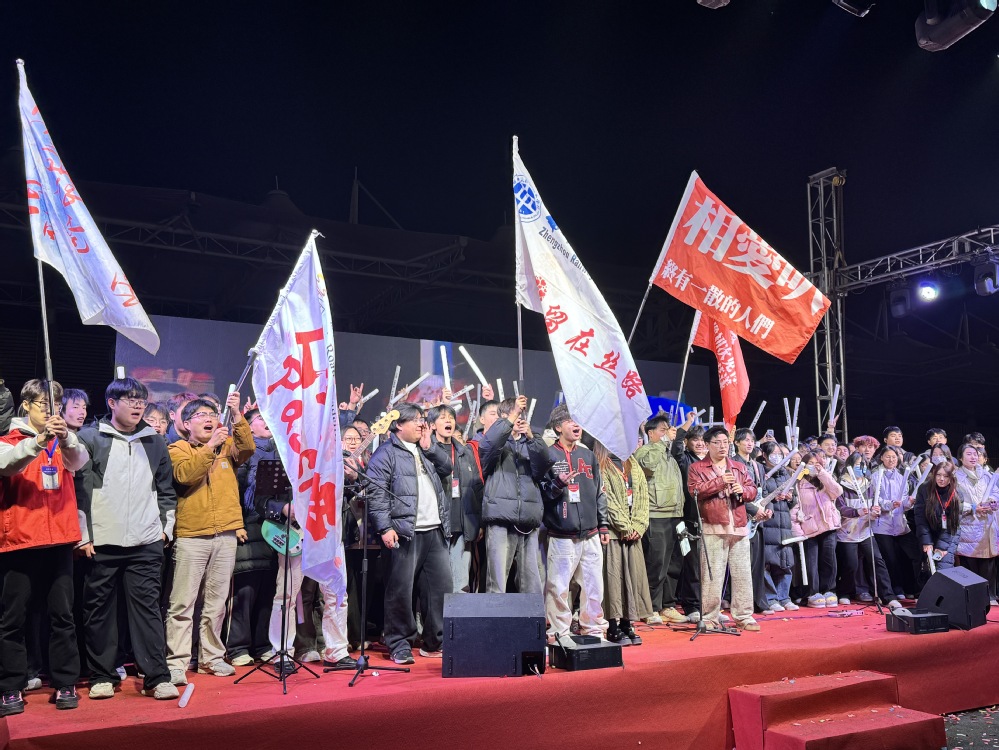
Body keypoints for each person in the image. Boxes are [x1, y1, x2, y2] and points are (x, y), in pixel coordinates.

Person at [74, 377, 178, 700]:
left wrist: (164, 530)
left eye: (141, 400)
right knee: (99, 611)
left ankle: (156, 677)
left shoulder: (155, 441)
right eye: (130, 399)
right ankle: (102, 675)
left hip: (146, 541)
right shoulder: (90, 437)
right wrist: (84, 535)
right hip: (102, 541)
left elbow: (166, 490)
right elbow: (81, 491)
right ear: (112, 403)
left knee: (147, 609)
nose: (137, 405)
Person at [0, 380, 87, 715]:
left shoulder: (64, 441)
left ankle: (65, 682)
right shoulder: (8, 439)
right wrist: (38, 442)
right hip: (20, 540)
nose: (51, 411)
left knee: (63, 616)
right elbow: (8, 465)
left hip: (59, 539)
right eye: (44, 404)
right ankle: (11, 686)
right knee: (13, 618)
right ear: (26, 405)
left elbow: (79, 461)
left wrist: (66, 438)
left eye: (56, 405)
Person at [165, 393, 254, 684]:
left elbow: (248, 448)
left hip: (225, 533)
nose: (208, 419)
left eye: (212, 415)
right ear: (186, 424)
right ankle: (176, 661)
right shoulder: (177, 448)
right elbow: (185, 475)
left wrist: (237, 415)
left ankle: (211, 657)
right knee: (183, 603)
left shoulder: (227, 447)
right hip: (192, 535)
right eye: (201, 416)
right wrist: (209, 448)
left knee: (216, 602)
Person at [366, 403, 453, 665]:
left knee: (440, 588)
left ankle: (435, 641)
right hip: (404, 532)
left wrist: (431, 448)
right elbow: (376, 494)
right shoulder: (385, 453)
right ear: (398, 425)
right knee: (400, 591)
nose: (421, 424)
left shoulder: (426, 448)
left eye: (422, 419)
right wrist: (385, 527)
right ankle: (399, 643)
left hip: (434, 529)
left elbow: (447, 468)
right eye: (414, 420)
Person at [540, 405, 610, 642]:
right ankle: (559, 633)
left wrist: (603, 524)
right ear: (558, 427)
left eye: (578, 420)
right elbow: (543, 494)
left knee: (594, 586)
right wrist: (558, 483)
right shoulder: (548, 455)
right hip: (561, 533)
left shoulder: (588, 455)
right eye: (570, 421)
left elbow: (600, 492)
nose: (576, 425)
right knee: (558, 587)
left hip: (591, 533)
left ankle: (593, 629)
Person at [686, 426, 759, 631]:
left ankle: (744, 616)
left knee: (742, 574)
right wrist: (720, 482)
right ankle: (710, 617)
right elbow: (695, 491)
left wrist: (742, 490)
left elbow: (753, 490)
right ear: (707, 445)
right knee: (712, 576)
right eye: (717, 443)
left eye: (725, 442)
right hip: (713, 527)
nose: (722, 446)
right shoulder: (697, 468)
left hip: (739, 527)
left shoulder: (739, 467)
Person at [476, 395, 551, 594]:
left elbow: (545, 463)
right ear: (503, 418)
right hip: (500, 517)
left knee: (532, 581)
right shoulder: (494, 442)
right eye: (513, 415)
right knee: (498, 580)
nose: (518, 419)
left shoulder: (530, 442)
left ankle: (531, 614)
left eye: (520, 415)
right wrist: (511, 419)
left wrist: (532, 437)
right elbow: (488, 445)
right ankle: (496, 614)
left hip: (528, 517)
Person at [227, 408, 277, 667]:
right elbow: (234, 490)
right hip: (247, 525)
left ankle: (263, 644)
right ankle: (237, 647)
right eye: (260, 418)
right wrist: (236, 523)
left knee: (269, 589)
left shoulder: (280, 451)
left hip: (274, 527)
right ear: (247, 426)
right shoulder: (243, 452)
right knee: (245, 590)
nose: (266, 422)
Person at [596, 438, 653, 646]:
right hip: (614, 532)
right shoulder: (601, 464)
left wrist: (638, 525)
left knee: (633, 578)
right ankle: (612, 625)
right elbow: (607, 500)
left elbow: (643, 497)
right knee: (613, 580)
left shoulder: (632, 464)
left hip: (633, 533)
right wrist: (624, 526)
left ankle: (627, 622)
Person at [635, 415, 688, 625]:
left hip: (676, 514)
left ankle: (668, 604)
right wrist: (663, 442)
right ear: (651, 433)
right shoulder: (645, 451)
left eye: (668, 430)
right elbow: (648, 465)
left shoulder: (669, 454)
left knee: (674, 564)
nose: (668, 433)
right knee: (656, 564)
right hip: (656, 514)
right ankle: (650, 607)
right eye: (663, 430)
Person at [428, 402, 483, 594]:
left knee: (461, 582)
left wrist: (479, 522)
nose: (448, 421)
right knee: (437, 581)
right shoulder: (426, 451)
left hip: (462, 523)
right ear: (432, 425)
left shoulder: (465, 452)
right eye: (442, 418)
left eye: (451, 417)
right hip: (436, 524)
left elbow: (476, 487)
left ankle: (458, 612)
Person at [833, 454, 900, 609]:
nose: (861, 468)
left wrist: (875, 512)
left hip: (865, 530)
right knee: (851, 564)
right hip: (847, 532)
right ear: (850, 466)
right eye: (858, 465)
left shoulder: (868, 485)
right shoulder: (841, 486)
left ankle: (887, 596)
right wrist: (857, 512)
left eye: (863, 465)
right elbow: (841, 508)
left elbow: (873, 507)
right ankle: (844, 592)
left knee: (877, 561)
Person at [791, 450, 843, 608]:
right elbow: (794, 509)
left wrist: (822, 474)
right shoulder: (798, 483)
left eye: (817, 463)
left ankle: (829, 590)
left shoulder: (826, 480)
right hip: (809, 529)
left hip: (828, 526)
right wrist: (798, 532)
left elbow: (837, 492)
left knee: (829, 560)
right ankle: (812, 593)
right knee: (811, 563)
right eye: (810, 463)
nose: (813, 466)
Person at [670, 414, 707, 621]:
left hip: (710, 519)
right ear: (687, 442)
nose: (700, 443)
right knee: (692, 565)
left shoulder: (713, 462)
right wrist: (687, 425)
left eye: (702, 440)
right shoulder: (685, 459)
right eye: (695, 440)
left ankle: (708, 605)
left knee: (709, 566)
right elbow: (676, 446)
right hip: (689, 520)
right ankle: (692, 606)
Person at [733, 428, 773, 615]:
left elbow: (765, 492)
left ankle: (759, 602)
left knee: (758, 564)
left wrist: (768, 510)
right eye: (745, 440)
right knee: (742, 565)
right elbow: (735, 494)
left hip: (758, 520)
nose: (749, 443)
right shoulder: (733, 464)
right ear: (736, 443)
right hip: (741, 517)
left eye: (752, 440)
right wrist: (754, 510)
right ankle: (742, 603)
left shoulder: (758, 466)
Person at [954, 443, 999, 605]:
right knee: (969, 564)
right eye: (969, 454)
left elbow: (995, 493)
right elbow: (954, 503)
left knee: (988, 562)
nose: (973, 457)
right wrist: (973, 508)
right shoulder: (955, 477)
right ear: (960, 457)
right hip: (968, 525)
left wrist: (992, 502)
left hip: (986, 525)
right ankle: (972, 598)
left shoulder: (987, 475)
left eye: (975, 454)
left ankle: (989, 596)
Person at [758, 441, 798, 612]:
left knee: (785, 561)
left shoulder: (786, 473)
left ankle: (784, 597)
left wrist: (789, 498)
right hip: (768, 522)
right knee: (767, 562)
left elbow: (794, 501)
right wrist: (773, 497)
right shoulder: (761, 472)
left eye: (780, 454)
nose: (777, 457)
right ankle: (770, 597)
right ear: (764, 455)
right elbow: (759, 496)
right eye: (773, 453)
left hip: (784, 524)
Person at [914, 461, 963, 571]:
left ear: (951, 477)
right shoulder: (924, 489)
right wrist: (926, 541)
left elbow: (953, 524)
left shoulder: (957, 494)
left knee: (943, 568)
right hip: (929, 532)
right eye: (938, 475)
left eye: (946, 476)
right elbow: (920, 518)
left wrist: (941, 547)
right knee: (927, 569)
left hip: (949, 534)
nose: (941, 479)